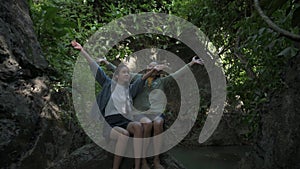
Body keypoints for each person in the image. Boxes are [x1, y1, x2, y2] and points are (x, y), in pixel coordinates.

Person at [71, 40, 164, 169]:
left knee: (138, 126)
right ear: (116, 76)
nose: (127, 74)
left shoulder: (130, 89)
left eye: (127, 72)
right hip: (111, 124)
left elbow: (142, 79)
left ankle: (138, 166)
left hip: (125, 121)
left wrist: (153, 69)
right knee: (124, 135)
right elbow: (95, 68)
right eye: (124, 72)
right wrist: (82, 50)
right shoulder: (108, 84)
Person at [99, 57, 204, 169]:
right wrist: (106, 62)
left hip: (156, 112)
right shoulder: (138, 78)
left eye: (155, 67)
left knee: (158, 123)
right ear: (147, 69)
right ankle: (143, 161)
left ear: (159, 71)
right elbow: (119, 71)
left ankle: (156, 160)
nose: (153, 68)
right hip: (140, 113)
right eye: (150, 66)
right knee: (147, 123)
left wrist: (191, 63)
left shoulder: (161, 81)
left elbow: (177, 75)